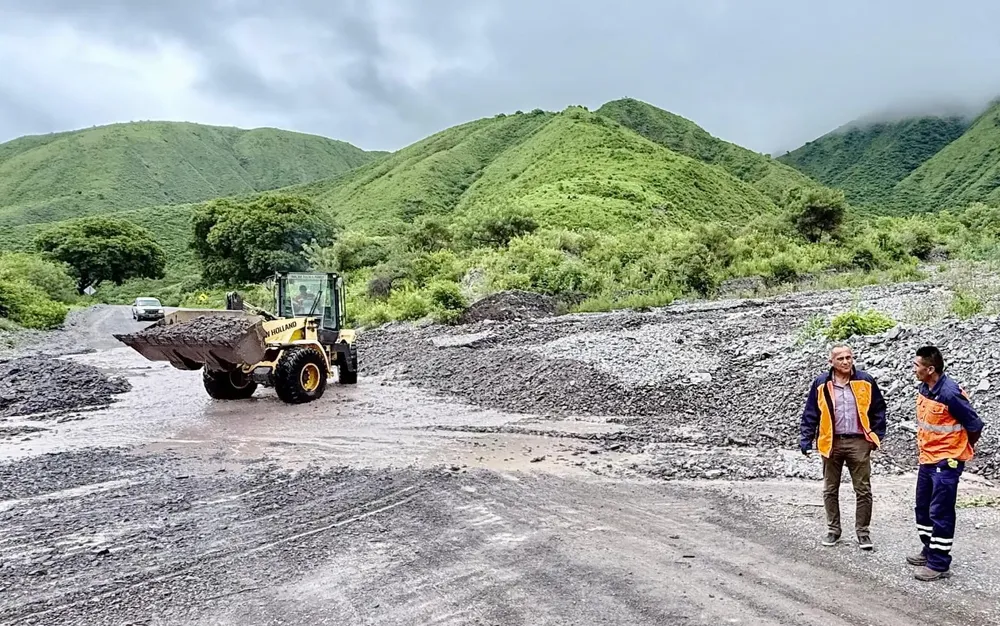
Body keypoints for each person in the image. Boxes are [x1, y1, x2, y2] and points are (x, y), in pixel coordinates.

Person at [907, 345, 985, 581]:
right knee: (923, 508)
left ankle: (940, 563)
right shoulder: (925, 388)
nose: (913, 369)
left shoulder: (950, 394)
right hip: (927, 458)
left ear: (930, 369)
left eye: (917, 365)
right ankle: (929, 550)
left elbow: (975, 425)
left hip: (947, 460)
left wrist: (960, 450)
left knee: (940, 511)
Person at [800, 343, 887, 550]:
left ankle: (863, 533)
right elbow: (811, 412)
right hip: (831, 442)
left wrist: (875, 436)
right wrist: (806, 438)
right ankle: (833, 530)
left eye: (849, 357)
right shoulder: (821, 383)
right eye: (841, 358)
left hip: (859, 441)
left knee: (863, 490)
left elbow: (879, 409)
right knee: (830, 489)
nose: (846, 361)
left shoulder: (865, 380)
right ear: (831, 362)